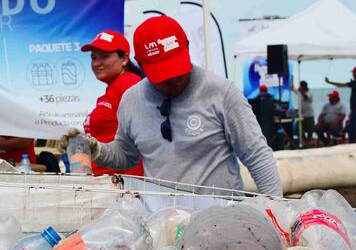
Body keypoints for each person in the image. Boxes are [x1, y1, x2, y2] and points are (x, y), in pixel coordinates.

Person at [58, 16, 282, 196]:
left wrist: (276, 212)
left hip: (220, 220)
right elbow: (127, 156)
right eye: (162, 75)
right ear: (142, 64)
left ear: (186, 49)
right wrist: (98, 150)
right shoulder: (132, 100)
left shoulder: (221, 93)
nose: (173, 80)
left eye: (176, 70)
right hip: (163, 221)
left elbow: (257, 156)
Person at [80, 30, 144, 175]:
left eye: (104, 56)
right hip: (109, 184)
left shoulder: (129, 84)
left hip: (122, 186)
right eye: (93, 57)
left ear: (124, 59)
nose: (96, 63)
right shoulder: (116, 87)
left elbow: (145, 139)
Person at [325, 66, 356, 143]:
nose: (352, 74)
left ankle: (353, 143)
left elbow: (341, 85)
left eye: (353, 73)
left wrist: (330, 82)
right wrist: (353, 84)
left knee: (353, 128)